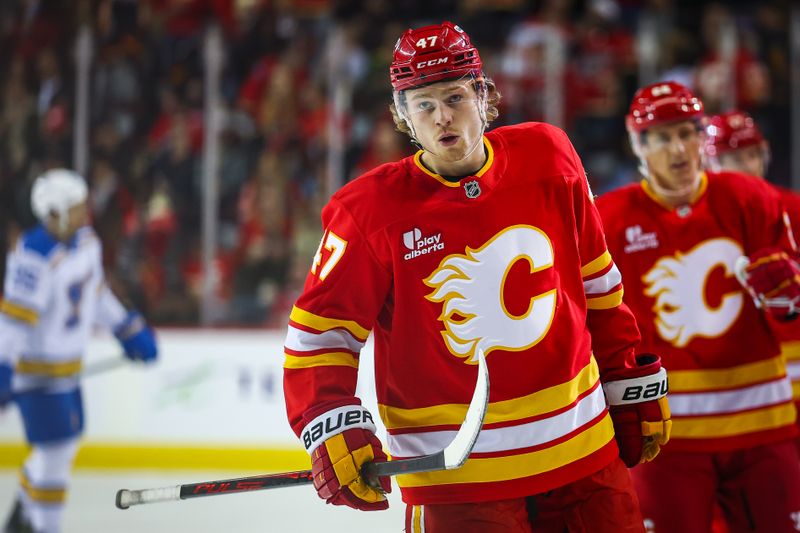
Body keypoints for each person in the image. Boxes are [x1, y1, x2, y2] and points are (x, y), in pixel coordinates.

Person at [282, 21, 671, 532]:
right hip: (457, 481)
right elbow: (321, 336)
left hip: (583, 455)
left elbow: (598, 287)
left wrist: (622, 374)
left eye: (455, 97)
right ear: (402, 116)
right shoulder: (369, 212)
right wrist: (329, 421)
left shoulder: (550, 157)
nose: (442, 117)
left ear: (484, 96)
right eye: (423, 104)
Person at [595, 82, 800, 532]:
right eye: (663, 137)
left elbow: (788, 307)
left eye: (687, 133)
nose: (678, 149)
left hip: (761, 421)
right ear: (638, 145)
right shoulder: (607, 219)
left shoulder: (751, 197)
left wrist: (788, 296)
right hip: (667, 433)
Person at [0, 169, 158, 533]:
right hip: (37, 376)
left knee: (62, 448)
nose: (84, 212)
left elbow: (96, 296)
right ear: (53, 212)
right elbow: (14, 324)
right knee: (55, 456)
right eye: (75, 207)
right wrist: (4, 368)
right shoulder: (34, 256)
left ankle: (23, 512)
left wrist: (127, 328)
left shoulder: (87, 242)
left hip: (67, 372)